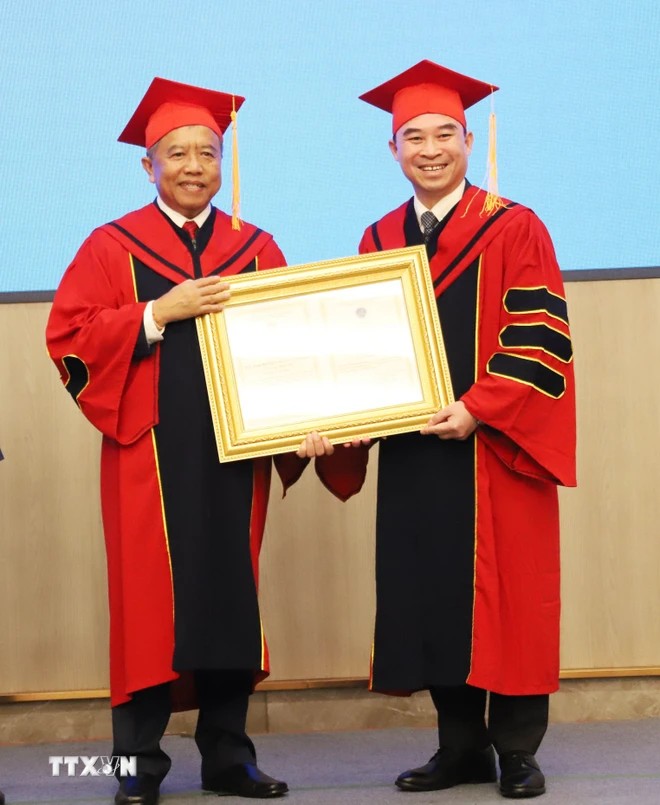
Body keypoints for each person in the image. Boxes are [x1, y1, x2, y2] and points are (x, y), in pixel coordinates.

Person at [298, 60, 576, 799]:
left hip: (496, 449)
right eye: (413, 137)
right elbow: (357, 349)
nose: (430, 149)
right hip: (416, 450)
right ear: (393, 149)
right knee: (434, 595)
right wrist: (334, 420)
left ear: (468, 140)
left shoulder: (514, 225)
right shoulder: (379, 237)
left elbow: (538, 337)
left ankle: (518, 751)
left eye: (444, 134)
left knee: (509, 598)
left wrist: (480, 406)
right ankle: (460, 748)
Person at [46, 77, 301, 805]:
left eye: (207, 153)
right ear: (148, 164)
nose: (193, 166)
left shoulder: (256, 247)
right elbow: (68, 337)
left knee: (229, 598)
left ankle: (230, 758)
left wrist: (311, 420)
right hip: (148, 457)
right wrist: (157, 313)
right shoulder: (110, 246)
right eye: (177, 152)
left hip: (236, 455)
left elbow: (293, 349)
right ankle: (136, 766)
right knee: (147, 607)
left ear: (222, 163)